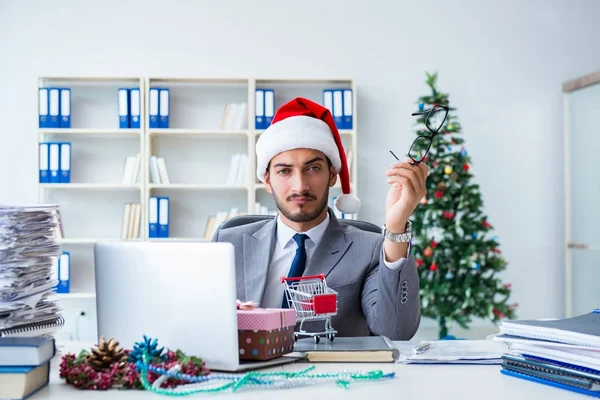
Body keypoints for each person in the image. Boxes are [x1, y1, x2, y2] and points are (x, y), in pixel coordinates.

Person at [213, 97, 428, 340]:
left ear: (332, 176)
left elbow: (397, 330)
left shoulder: (370, 248)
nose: (300, 185)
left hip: (334, 376)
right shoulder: (228, 243)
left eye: (313, 168)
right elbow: (201, 321)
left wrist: (396, 225)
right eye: (284, 171)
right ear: (267, 181)